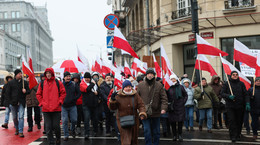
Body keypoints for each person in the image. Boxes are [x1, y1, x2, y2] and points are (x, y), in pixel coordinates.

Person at [109, 80, 147, 145]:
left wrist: (142, 113)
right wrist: (112, 100)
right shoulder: (118, 95)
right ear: (123, 88)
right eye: (126, 87)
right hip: (122, 120)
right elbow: (113, 108)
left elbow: (141, 105)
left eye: (129, 87)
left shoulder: (135, 95)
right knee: (126, 140)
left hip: (134, 120)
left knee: (134, 139)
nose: (128, 88)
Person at [137, 68, 168, 145]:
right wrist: (138, 110)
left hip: (156, 112)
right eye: (148, 74)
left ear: (154, 75)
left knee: (156, 131)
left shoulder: (159, 85)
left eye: (151, 74)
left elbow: (164, 98)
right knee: (147, 130)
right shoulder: (140, 85)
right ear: (146, 75)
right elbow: (137, 98)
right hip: (144, 112)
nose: (150, 75)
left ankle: (156, 143)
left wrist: (163, 108)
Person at [36, 68, 66, 145]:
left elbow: (63, 93)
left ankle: (58, 138)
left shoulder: (58, 82)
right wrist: (42, 102)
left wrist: (59, 101)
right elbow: (38, 94)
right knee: (48, 128)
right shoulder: (42, 83)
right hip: (46, 109)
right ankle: (51, 141)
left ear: (52, 74)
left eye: (49, 73)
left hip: (56, 109)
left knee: (56, 126)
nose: (48, 75)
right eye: (47, 73)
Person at [220, 71, 250, 142]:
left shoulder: (241, 84)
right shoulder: (227, 84)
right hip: (230, 106)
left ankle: (238, 135)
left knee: (239, 122)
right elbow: (222, 93)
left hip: (240, 106)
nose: (235, 76)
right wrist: (228, 96)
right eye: (233, 75)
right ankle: (233, 136)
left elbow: (246, 94)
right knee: (232, 121)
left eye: (236, 75)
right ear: (231, 76)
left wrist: (247, 103)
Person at [5, 69, 30, 137]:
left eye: (21, 73)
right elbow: (7, 93)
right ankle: (17, 128)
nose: (20, 75)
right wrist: (9, 102)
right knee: (14, 117)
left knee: (21, 117)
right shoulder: (11, 83)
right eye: (19, 74)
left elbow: (29, 91)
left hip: (21, 102)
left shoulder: (24, 82)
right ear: (16, 75)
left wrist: (25, 91)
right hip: (13, 103)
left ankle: (21, 131)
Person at [167, 74, 188, 141]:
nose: (172, 80)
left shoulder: (181, 87)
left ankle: (180, 135)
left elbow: (185, 95)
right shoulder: (168, 87)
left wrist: (183, 102)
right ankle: (174, 135)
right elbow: (166, 96)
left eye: (173, 79)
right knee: (172, 122)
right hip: (172, 107)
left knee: (180, 122)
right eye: (171, 79)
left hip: (180, 107)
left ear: (176, 79)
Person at [62, 72, 81, 141]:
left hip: (72, 105)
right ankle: (66, 135)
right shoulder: (61, 85)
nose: (68, 78)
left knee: (74, 120)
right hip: (64, 106)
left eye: (69, 76)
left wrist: (75, 98)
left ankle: (72, 130)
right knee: (65, 121)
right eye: (66, 76)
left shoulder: (74, 84)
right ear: (64, 77)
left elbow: (79, 93)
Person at [80, 72, 99, 139]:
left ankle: (95, 131)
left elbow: (98, 90)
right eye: (86, 78)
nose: (87, 79)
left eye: (88, 78)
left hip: (94, 104)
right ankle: (86, 133)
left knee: (95, 119)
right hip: (86, 105)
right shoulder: (82, 84)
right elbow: (87, 89)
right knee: (87, 119)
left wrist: (97, 93)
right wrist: (92, 84)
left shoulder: (94, 83)